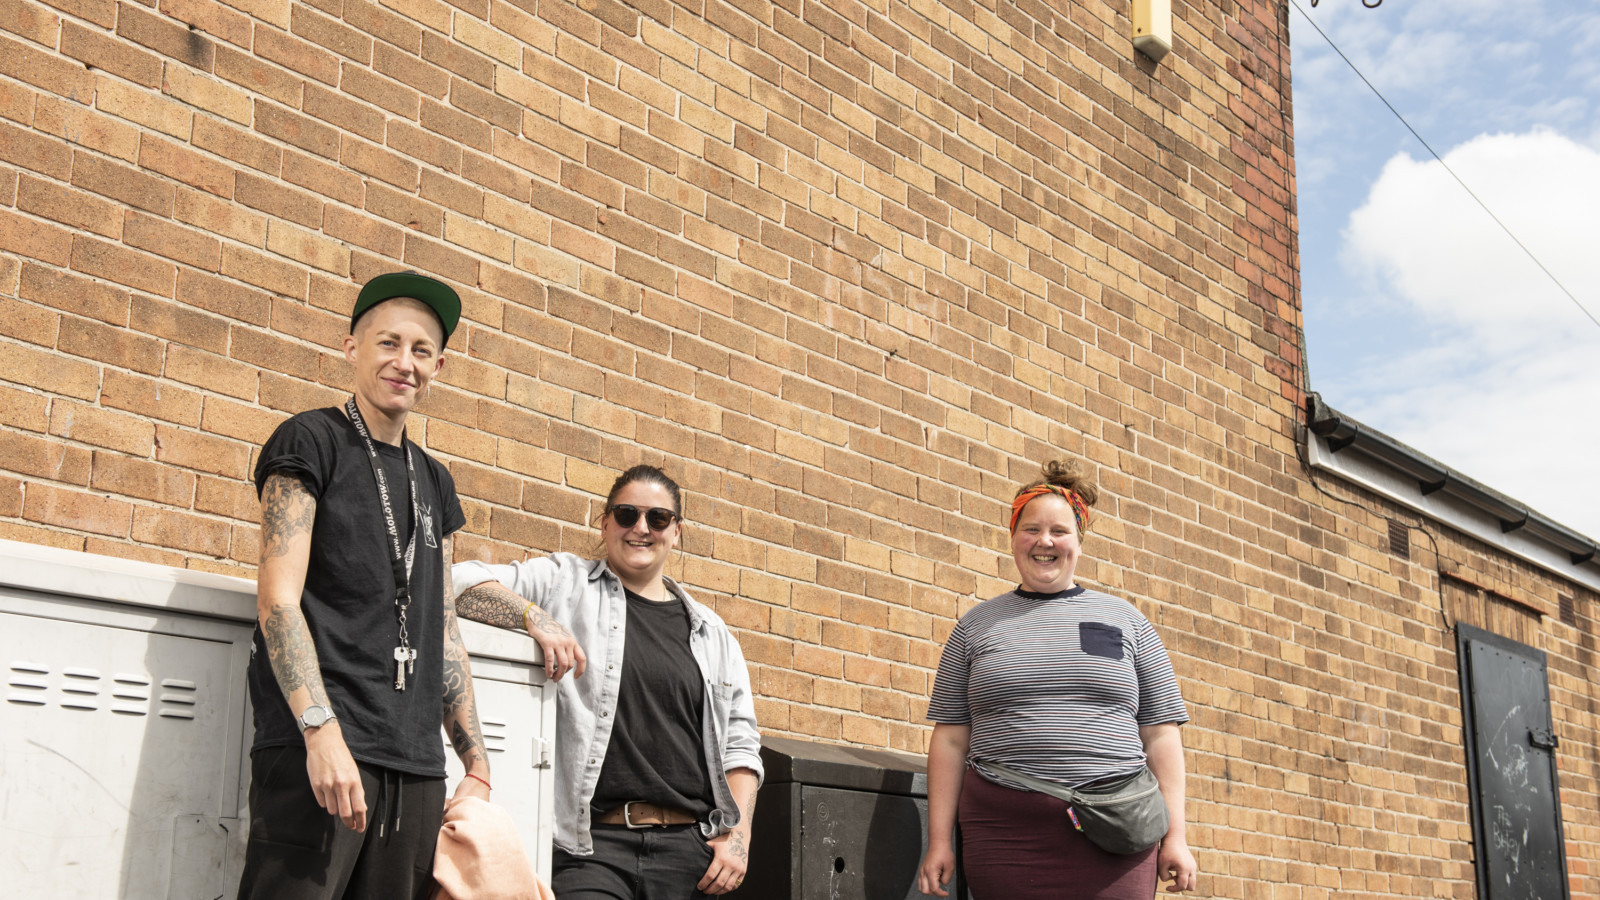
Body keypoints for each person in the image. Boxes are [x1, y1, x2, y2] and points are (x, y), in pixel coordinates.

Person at [238, 271, 492, 900]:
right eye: (388, 343)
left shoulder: (435, 481)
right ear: (353, 348)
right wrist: (319, 733)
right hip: (321, 750)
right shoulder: (310, 441)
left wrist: (476, 762)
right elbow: (278, 601)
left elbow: (443, 628)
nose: (405, 363)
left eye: (422, 351)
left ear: (437, 365)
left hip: (414, 765)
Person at [452, 465, 762, 899]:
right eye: (626, 514)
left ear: (676, 532)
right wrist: (533, 616)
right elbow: (458, 582)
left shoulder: (712, 634)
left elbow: (740, 746)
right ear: (605, 522)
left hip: (690, 851)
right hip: (592, 849)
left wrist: (739, 836)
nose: (641, 527)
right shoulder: (565, 583)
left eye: (657, 519)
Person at [916, 458, 1198, 899]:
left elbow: (1161, 735)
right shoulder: (975, 627)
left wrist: (1176, 836)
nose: (1044, 541)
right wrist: (938, 842)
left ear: (1078, 543)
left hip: (1114, 830)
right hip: (1003, 831)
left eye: (1059, 531)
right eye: (1031, 529)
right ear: (1013, 538)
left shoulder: (1127, 622)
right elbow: (951, 738)